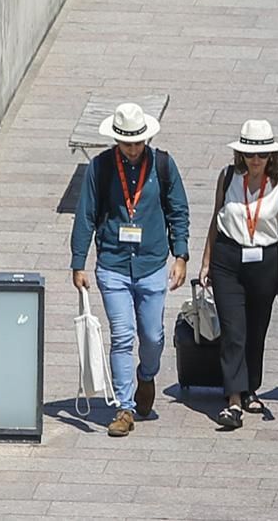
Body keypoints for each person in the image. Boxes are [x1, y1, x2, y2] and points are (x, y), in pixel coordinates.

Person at [70, 103, 190, 438]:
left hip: (152, 263)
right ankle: (124, 407)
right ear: (116, 140)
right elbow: (86, 215)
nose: (133, 149)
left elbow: (178, 210)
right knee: (122, 336)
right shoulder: (101, 168)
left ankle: (147, 375)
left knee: (152, 335)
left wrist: (180, 254)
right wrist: (78, 261)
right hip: (113, 264)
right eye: (127, 143)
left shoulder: (163, 165)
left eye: (138, 142)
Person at [198, 120, 278, 429]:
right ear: (240, 155)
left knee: (257, 329)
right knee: (234, 330)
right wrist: (206, 260)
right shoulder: (228, 176)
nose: (255, 161)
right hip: (228, 259)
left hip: (265, 260)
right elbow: (216, 219)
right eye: (249, 154)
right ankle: (233, 399)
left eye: (261, 155)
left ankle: (249, 388)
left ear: (271, 155)